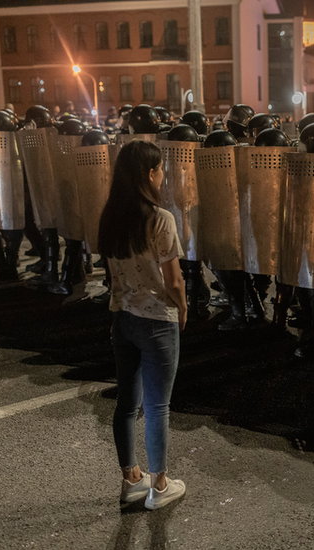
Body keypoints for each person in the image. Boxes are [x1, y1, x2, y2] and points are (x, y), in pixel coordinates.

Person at [98, 140, 188, 509]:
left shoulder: (110, 216)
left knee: (126, 403)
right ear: (150, 174)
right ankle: (160, 484)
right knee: (157, 407)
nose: (162, 175)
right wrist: (182, 308)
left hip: (123, 317)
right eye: (160, 169)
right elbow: (174, 280)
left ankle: (131, 478)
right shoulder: (159, 218)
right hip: (155, 320)